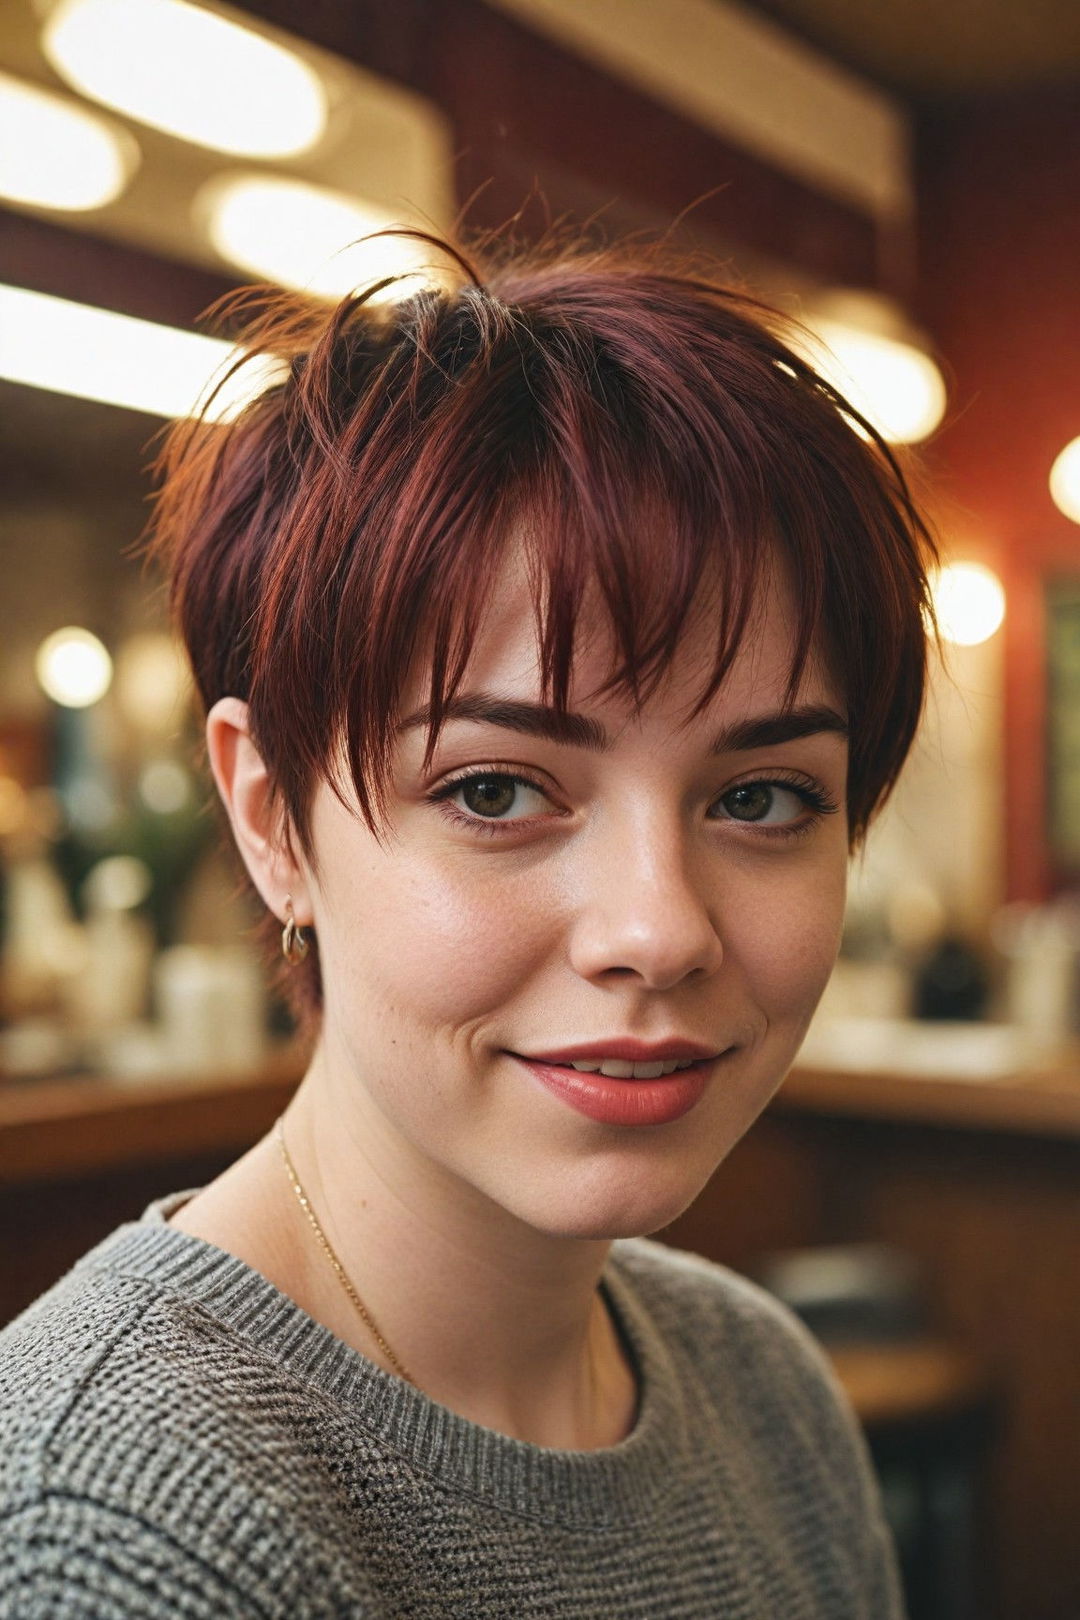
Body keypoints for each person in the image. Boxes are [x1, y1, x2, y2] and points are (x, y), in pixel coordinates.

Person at [0, 232, 935, 1618]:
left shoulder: (760, 1385)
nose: (659, 930)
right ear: (272, 819)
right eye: (495, 788)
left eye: (761, 795)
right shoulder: (120, 1523)